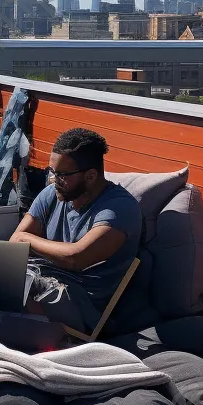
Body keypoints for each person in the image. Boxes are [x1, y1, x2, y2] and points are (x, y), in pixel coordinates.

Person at [12, 127, 142, 335]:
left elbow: (76, 257)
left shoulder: (118, 209)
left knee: (14, 290)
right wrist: (23, 240)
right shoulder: (52, 194)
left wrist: (26, 239)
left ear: (91, 176)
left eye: (62, 175)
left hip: (81, 304)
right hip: (40, 281)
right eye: (52, 172)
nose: (54, 180)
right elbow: (15, 243)